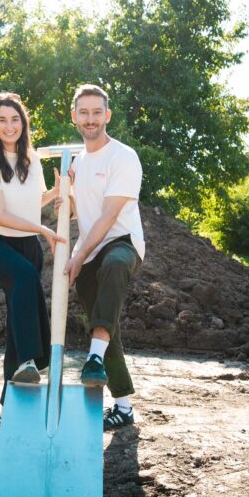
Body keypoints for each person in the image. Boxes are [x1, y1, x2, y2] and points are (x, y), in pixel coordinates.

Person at [0, 92, 66, 402]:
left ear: (23, 123)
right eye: (2, 120)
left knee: (18, 314)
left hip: (26, 245)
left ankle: (11, 399)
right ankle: (31, 362)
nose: (9, 126)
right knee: (24, 277)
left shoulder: (31, 159)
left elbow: (30, 204)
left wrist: (54, 193)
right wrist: (41, 229)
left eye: (15, 119)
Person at [63, 84, 145, 430]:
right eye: (84, 112)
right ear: (74, 117)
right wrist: (61, 199)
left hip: (122, 242)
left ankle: (93, 359)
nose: (91, 119)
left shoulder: (123, 157)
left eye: (97, 112)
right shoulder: (77, 163)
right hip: (89, 248)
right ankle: (123, 407)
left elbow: (110, 214)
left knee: (113, 266)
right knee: (104, 324)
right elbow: (73, 211)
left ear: (107, 115)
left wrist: (77, 255)